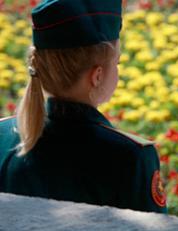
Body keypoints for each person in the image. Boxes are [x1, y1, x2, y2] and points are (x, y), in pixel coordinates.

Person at [0, 0, 167, 213]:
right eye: (117, 62)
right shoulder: (130, 156)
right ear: (97, 76)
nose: (118, 69)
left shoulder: (3, 136)